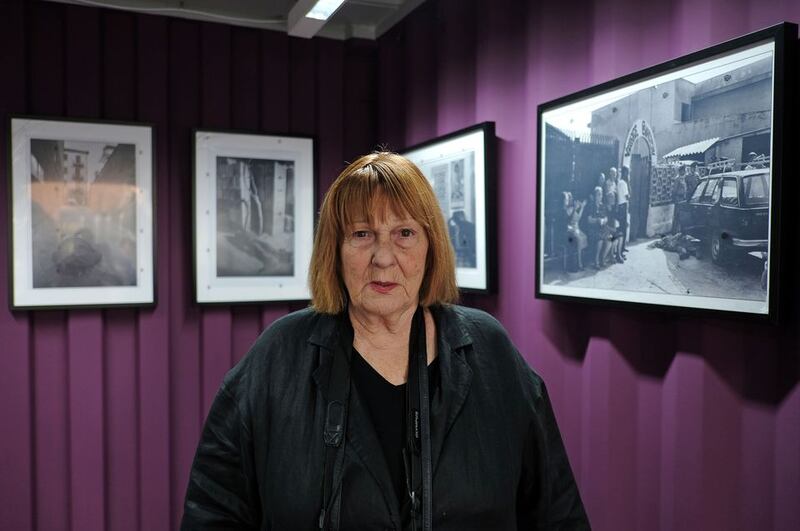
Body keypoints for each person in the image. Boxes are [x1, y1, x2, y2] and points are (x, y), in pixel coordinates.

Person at [181, 152, 589, 530]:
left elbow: (557, 514)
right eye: (362, 234)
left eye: (405, 233)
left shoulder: (488, 351)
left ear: (431, 247)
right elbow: (212, 512)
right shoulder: (277, 358)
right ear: (335, 251)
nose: (383, 257)